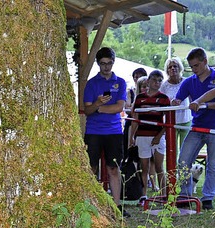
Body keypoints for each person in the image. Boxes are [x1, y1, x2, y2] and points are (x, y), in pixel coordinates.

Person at [172, 48, 215, 210]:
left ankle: (208, 198)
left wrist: (206, 105)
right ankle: (185, 195)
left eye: (196, 66)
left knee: (213, 163)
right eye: (191, 67)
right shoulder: (189, 81)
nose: (194, 70)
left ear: (205, 62)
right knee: (183, 161)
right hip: (196, 127)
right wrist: (175, 102)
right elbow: (178, 99)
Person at [82, 47, 128, 217]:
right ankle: (91, 205)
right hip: (94, 131)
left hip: (114, 131)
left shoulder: (120, 82)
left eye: (109, 63)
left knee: (114, 169)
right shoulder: (92, 84)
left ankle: (117, 206)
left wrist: (98, 108)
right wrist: (97, 103)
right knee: (91, 168)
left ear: (113, 63)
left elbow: (119, 107)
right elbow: (87, 110)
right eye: (103, 64)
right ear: (98, 64)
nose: (106, 67)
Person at [129, 70, 170, 203]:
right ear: (148, 81)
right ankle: (144, 195)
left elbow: (168, 121)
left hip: (157, 136)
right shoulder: (140, 98)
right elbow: (135, 118)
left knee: (159, 167)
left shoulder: (164, 98)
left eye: (159, 80)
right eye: (154, 80)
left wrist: (159, 135)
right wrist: (132, 136)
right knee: (144, 166)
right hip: (142, 136)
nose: (156, 83)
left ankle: (164, 195)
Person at [160, 57, 192, 152]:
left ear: (180, 68)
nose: (173, 69)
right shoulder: (164, 86)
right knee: (172, 150)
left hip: (186, 120)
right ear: (167, 70)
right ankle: (173, 167)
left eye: (175, 66)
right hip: (171, 121)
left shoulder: (187, 82)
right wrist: (170, 103)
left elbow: (193, 98)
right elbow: (161, 103)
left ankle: (184, 167)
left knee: (186, 150)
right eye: (170, 67)